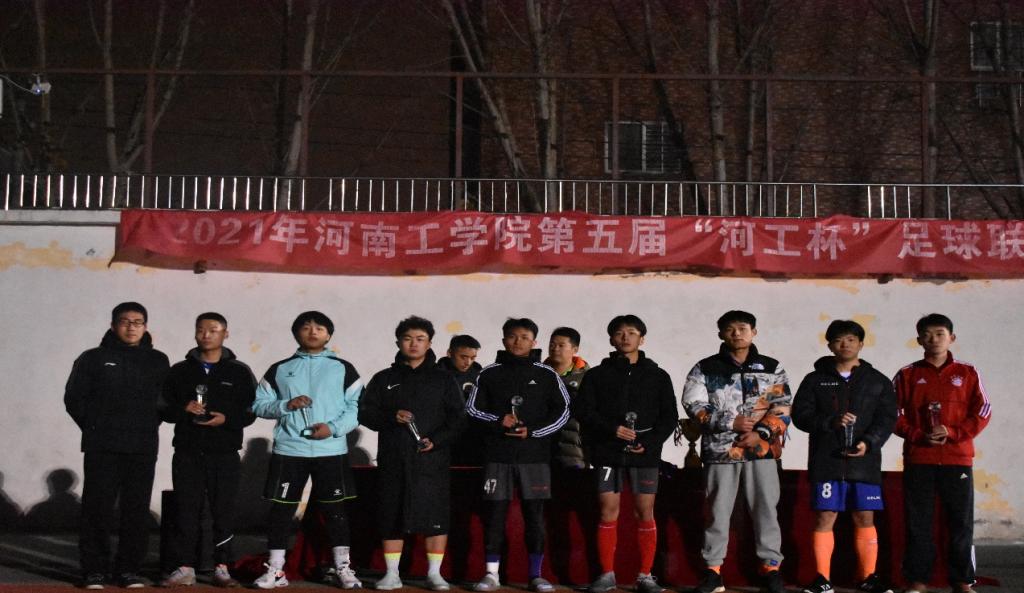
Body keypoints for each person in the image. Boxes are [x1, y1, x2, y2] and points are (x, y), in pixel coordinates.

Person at [250, 311, 364, 590]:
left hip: (331, 450)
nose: (313, 332)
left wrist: (332, 429)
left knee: (336, 512)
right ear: (296, 333)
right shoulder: (279, 369)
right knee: (281, 511)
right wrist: (285, 405)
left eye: (319, 328)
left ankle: (342, 568)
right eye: (306, 327)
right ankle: (276, 570)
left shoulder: (344, 369)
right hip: (290, 450)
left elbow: (356, 408)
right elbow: (259, 405)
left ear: (329, 334)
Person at [682, 310, 791, 593]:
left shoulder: (771, 367)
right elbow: (693, 403)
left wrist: (761, 433)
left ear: (754, 332)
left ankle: (770, 567)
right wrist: (730, 422)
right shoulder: (705, 367)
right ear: (720, 334)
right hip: (721, 451)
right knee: (717, 512)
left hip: (762, 451)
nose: (737, 333)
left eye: (743, 328)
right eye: (730, 329)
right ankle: (713, 571)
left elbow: (782, 404)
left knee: (766, 509)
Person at [64, 302, 170, 590]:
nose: (131, 327)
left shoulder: (158, 360)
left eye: (138, 322)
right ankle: (94, 571)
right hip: (102, 447)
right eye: (125, 321)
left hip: (142, 447)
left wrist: (147, 425)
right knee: (97, 510)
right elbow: (74, 398)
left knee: (136, 511)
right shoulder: (93, 358)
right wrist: (95, 428)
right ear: (113, 325)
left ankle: (128, 570)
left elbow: (165, 402)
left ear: (145, 327)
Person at [359, 316, 466, 591]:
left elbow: (458, 419)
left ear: (429, 344)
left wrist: (436, 441)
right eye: (407, 339)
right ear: (398, 342)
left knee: (435, 517)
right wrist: (390, 416)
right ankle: (391, 574)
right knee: (391, 515)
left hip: (432, 461)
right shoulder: (384, 378)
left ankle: (434, 574)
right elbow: (365, 413)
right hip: (394, 459)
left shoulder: (444, 379)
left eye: (420, 339)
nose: (414, 344)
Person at [791, 320, 897, 593]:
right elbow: (801, 416)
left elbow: (887, 419)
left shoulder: (877, 381)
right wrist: (831, 422)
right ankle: (822, 579)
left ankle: (868, 577)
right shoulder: (815, 380)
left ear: (861, 344)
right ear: (829, 345)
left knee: (864, 517)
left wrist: (869, 443)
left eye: (851, 339)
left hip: (865, 463)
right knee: (825, 517)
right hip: (827, 461)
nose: (845, 344)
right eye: (839, 340)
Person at [574, 315, 677, 593]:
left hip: (645, 455)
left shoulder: (658, 376)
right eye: (619, 333)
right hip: (607, 454)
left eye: (632, 332)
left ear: (642, 339)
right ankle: (606, 575)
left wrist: (650, 443)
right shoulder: (596, 375)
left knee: (645, 512)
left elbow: (669, 417)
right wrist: (612, 429)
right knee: (607, 512)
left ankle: (645, 576)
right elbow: (583, 411)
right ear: (611, 339)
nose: (625, 337)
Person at [466, 318, 570, 592]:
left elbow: (563, 412)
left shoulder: (547, 375)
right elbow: (472, 409)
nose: (518, 341)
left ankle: (536, 575)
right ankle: (491, 574)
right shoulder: (488, 373)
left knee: (534, 517)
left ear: (534, 342)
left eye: (524, 337)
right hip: (497, 457)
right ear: (504, 340)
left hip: (535, 458)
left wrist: (533, 432)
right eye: (512, 336)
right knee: (495, 515)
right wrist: (497, 421)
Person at [893, 314, 992, 593]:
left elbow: (983, 411)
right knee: (918, 522)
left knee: (960, 522)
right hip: (919, 458)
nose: (934, 339)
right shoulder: (907, 374)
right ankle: (918, 581)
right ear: (919, 340)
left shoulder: (968, 373)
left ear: (952, 338)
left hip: (957, 459)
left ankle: (962, 581)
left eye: (940, 334)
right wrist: (917, 435)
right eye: (927, 334)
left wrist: (953, 432)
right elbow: (892, 413)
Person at [159, 313, 258, 588]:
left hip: (224, 452)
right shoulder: (179, 370)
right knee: (186, 509)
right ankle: (185, 567)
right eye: (201, 329)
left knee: (223, 510)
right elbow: (162, 407)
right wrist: (184, 409)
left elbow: (252, 409)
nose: (206, 335)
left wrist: (227, 419)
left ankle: (222, 566)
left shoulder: (239, 371)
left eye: (213, 330)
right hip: (188, 451)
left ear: (225, 334)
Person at [544, 327, 590, 469]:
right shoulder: (538, 374)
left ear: (574, 349)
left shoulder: (587, 378)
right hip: (542, 450)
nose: (555, 349)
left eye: (561, 345)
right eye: (552, 345)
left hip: (575, 451)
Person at [438, 334, 484, 467]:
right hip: (444, 436)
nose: (468, 362)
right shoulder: (436, 375)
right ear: (449, 353)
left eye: (472, 358)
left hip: (472, 436)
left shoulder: (478, 374)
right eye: (463, 357)